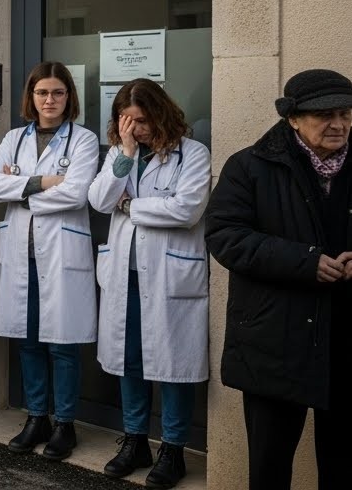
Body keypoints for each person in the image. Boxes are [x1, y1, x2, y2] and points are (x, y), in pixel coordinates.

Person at [206, 68, 352, 490]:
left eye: (344, 113)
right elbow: (224, 236)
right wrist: (304, 261)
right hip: (274, 339)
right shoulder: (250, 166)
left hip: (343, 340)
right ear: (292, 118)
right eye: (324, 115)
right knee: (270, 466)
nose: (338, 124)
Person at [87, 78, 210, 487]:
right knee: (130, 360)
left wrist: (130, 205)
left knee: (174, 364)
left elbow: (186, 210)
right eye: (126, 122)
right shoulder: (121, 155)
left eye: (140, 121)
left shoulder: (192, 154)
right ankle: (135, 439)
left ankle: (172, 449)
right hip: (125, 273)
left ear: (159, 113)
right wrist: (122, 156)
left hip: (170, 275)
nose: (135, 130)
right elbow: (101, 201)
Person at [0, 62, 99, 461]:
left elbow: (77, 194)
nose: (49, 100)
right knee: (27, 339)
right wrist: (44, 182)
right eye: (42, 93)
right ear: (30, 98)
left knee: (62, 343)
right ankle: (37, 417)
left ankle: (64, 423)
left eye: (57, 93)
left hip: (62, 252)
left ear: (70, 97)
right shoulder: (14, 138)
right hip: (21, 253)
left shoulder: (83, 140)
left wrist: (20, 190)